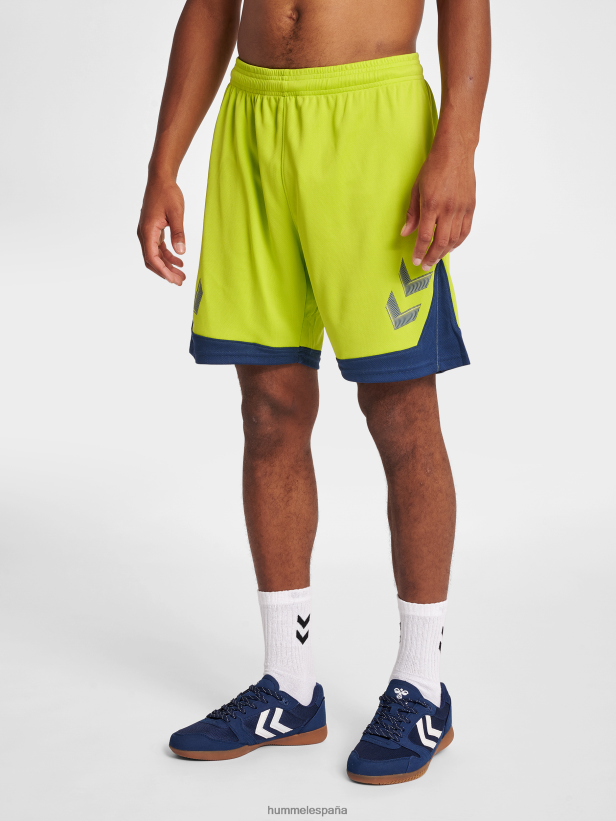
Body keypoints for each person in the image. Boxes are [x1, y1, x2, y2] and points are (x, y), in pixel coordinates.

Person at [137, 0, 490, 785]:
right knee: (269, 410)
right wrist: (164, 166)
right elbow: (210, 6)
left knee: (400, 411)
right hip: (255, 122)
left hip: (374, 122)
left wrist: (458, 144)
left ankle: (422, 686)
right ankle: (289, 685)